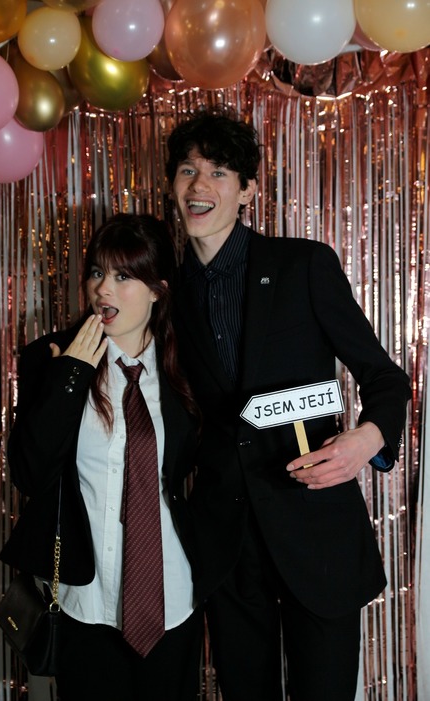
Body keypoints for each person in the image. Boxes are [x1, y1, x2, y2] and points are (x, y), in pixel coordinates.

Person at [165, 109, 411, 701]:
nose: (200, 186)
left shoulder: (303, 265)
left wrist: (365, 440)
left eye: (219, 172)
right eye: (188, 170)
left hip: (315, 528)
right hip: (226, 543)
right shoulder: (166, 292)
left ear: (248, 190)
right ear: (172, 185)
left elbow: (385, 378)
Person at [0, 213, 204, 701]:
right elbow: (28, 473)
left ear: (157, 290)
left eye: (123, 276)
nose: (103, 289)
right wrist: (70, 377)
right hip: (83, 601)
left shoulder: (190, 368)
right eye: (96, 272)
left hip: (172, 598)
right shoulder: (49, 358)